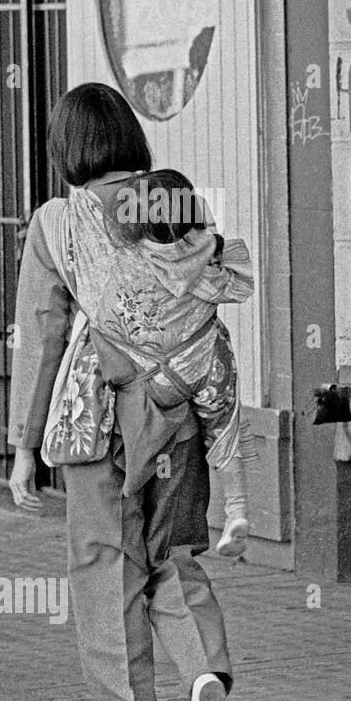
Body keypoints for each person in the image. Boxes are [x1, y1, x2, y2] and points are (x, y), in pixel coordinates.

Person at [7, 82, 236, 701]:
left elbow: (41, 338)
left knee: (106, 571)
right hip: (176, 413)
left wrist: (23, 445)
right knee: (173, 555)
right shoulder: (170, 200)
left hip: (96, 421)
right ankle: (203, 676)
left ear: (66, 148)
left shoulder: (55, 223)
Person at [99, 167, 256, 558]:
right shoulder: (204, 257)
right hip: (205, 362)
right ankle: (236, 508)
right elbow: (238, 284)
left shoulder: (129, 261)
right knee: (224, 430)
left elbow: (107, 318)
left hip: (153, 375)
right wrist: (205, 232)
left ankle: (137, 509)